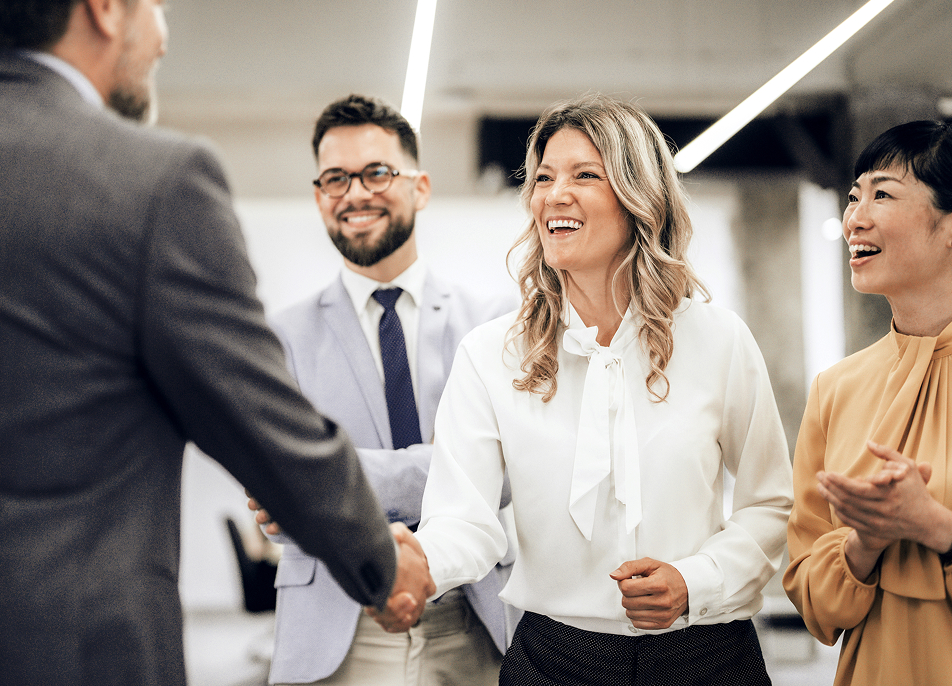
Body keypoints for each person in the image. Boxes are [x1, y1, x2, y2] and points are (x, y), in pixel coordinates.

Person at [0, 0, 432, 685]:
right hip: (71, 653)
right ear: (104, 0)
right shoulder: (150, 184)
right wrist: (382, 565)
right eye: (157, 2)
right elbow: (269, 433)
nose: (162, 36)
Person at [377, 94, 794, 685]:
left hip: (706, 657)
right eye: (543, 178)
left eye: (584, 175)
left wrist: (693, 581)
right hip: (553, 660)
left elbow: (768, 504)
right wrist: (421, 562)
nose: (554, 194)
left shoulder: (719, 340)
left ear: (637, 196)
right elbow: (464, 519)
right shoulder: (492, 355)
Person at [249, 94, 515, 686]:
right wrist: (447, 470)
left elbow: (505, 473)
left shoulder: (493, 322)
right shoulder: (281, 339)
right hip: (339, 630)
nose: (354, 194)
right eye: (335, 179)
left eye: (376, 172)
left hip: (477, 618)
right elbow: (279, 502)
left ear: (420, 187)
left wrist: (336, 474)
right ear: (320, 196)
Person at [784, 120, 952, 686]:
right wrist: (865, 542)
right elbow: (813, 600)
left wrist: (935, 527)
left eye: (883, 193)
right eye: (854, 196)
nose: (855, 217)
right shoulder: (836, 388)